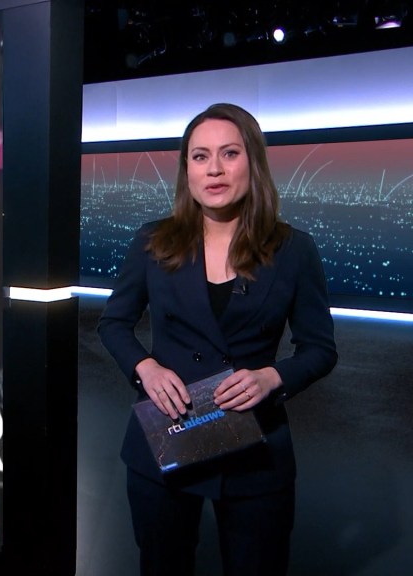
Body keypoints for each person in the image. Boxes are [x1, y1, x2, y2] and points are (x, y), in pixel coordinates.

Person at [97, 103, 337, 576]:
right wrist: (146, 368)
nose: (214, 169)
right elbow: (114, 323)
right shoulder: (153, 241)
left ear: (253, 162)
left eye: (229, 153)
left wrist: (272, 378)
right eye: (200, 156)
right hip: (167, 438)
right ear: (186, 169)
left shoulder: (294, 250)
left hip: (255, 449)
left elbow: (320, 349)